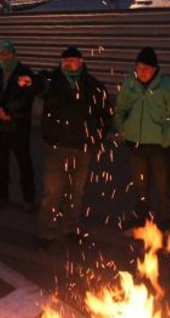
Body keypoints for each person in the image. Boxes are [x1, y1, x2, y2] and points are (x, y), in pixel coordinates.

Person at [35, 47, 111, 250]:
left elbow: (106, 114)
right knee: (52, 192)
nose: (68, 64)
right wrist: (30, 81)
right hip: (56, 147)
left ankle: (71, 228)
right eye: (65, 60)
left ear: (81, 61)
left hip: (82, 148)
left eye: (72, 60)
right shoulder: (53, 82)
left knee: (75, 192)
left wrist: (96, 136)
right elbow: (39, 84)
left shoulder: (93, 85)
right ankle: (46, 232)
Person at [114, 47, 170, 237]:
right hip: (136, 145)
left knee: (164, 188)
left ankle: (167, 227)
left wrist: (166, 140)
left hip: (158, 147)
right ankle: (141, 223)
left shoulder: (167, 86)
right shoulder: (130, 83)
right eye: (139, 67)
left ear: (155, 69)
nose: (142, 71)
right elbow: (120, 108)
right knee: (140, 187)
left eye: (147, 68)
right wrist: (123, 129)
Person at [0, 40, 38, 212]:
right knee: (1, 164)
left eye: (8, 53)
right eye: (2, 53)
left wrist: (8, 112)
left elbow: (27, 97)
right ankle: (1, 197)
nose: (5, 56)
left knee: (24, 163)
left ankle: (29, 199)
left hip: (18, 125)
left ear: (14, 53)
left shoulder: (24, 72)